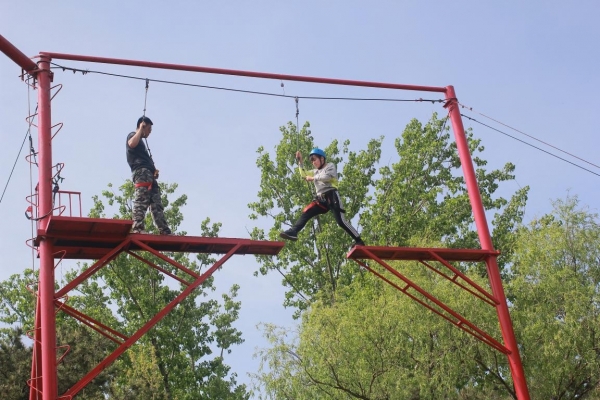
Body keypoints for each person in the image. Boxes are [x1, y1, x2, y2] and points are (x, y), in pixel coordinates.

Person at [280, 148, 365, 247]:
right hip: (321, 200)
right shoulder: (315, 171)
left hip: (332, 197)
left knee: (341, 221)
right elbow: (304, 174)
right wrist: (300, 161)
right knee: (306, 212)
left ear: (322, 159)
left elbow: (327, 177)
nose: (313, 162)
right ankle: (293, 231)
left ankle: (359, 240)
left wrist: (313, 178)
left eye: (314, 159)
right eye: (311, 160)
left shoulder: (330, 166)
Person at [126, 116, 172, 235]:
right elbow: (131, 144)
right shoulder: (132, 136)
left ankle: (164, 230)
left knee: (156, 203)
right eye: (149, 130)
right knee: (141, 199)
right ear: (143, 126)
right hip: (141, 173)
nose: (149, 133)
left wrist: (153, 171)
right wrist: (140, 129)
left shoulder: (142, 143)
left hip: (149, 175)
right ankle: (138, 228)